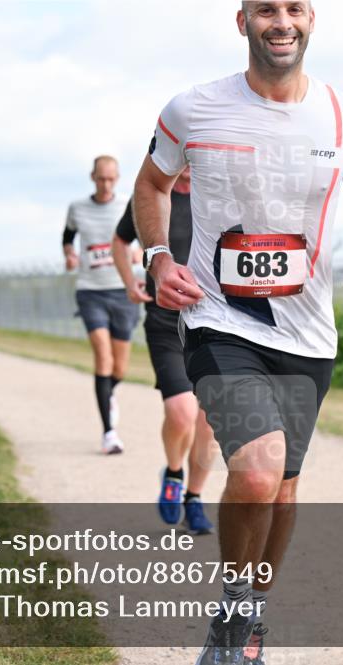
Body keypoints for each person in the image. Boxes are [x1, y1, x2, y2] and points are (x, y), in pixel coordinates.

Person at [133, 2, 343, 664]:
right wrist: (159, 256)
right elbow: (153, 183)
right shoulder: (193, 108)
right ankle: (233, 614)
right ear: (242, 19)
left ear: (312, 19)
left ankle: (247, 617)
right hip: (220, 318)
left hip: (308, 332)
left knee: (282, 491)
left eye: (295, 8)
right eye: (267, 8)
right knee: (256, 470)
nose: (283, 21)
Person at [112, 166, 217, 535]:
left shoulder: (219, 194)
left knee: (211, 422)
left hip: (216, 322)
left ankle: (195, 497)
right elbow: (120, 241)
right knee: (181, 412)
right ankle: (174, 473)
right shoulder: (152, 197)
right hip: (165, 321)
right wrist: (130, 283)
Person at [63, 155, 136, 455]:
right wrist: (69, 254)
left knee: (120, 366)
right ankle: (109, 433)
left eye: (111, 178)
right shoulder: (77, 208)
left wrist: (138, 253)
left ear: (117, 178)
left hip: (122, 291)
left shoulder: (127, 206)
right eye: (100, 178)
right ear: (92, 177)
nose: (105, 184)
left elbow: (143, 240)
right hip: (90, 291)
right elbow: (67, 236)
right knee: (103, 359)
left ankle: (110, 391)